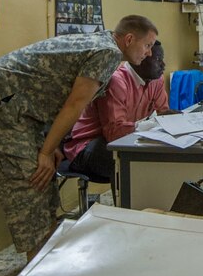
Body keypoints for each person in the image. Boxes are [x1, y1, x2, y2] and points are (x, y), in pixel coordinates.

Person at [0, 15, 158, 258]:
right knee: (30, 180)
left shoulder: (104, 46)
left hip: (19, 108)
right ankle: (36, 267)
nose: (149, 53)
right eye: (147, 45)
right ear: (129, 39)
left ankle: (46, 256)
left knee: (46, 177)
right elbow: (74, 104)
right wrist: (45, 151)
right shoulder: (107, 52)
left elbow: (56, 95)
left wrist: (50, 144)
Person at [63, 39, 175, 177]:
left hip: (123, 138)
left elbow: (162, 115)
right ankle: (129, 198)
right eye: (158, 59)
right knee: (129, 163)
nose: (163, 65)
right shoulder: (116, 81)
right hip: (88, 145)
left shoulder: (156, 80)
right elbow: (114, 132)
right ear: (140, 59)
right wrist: (154, 121)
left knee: (163, 153)